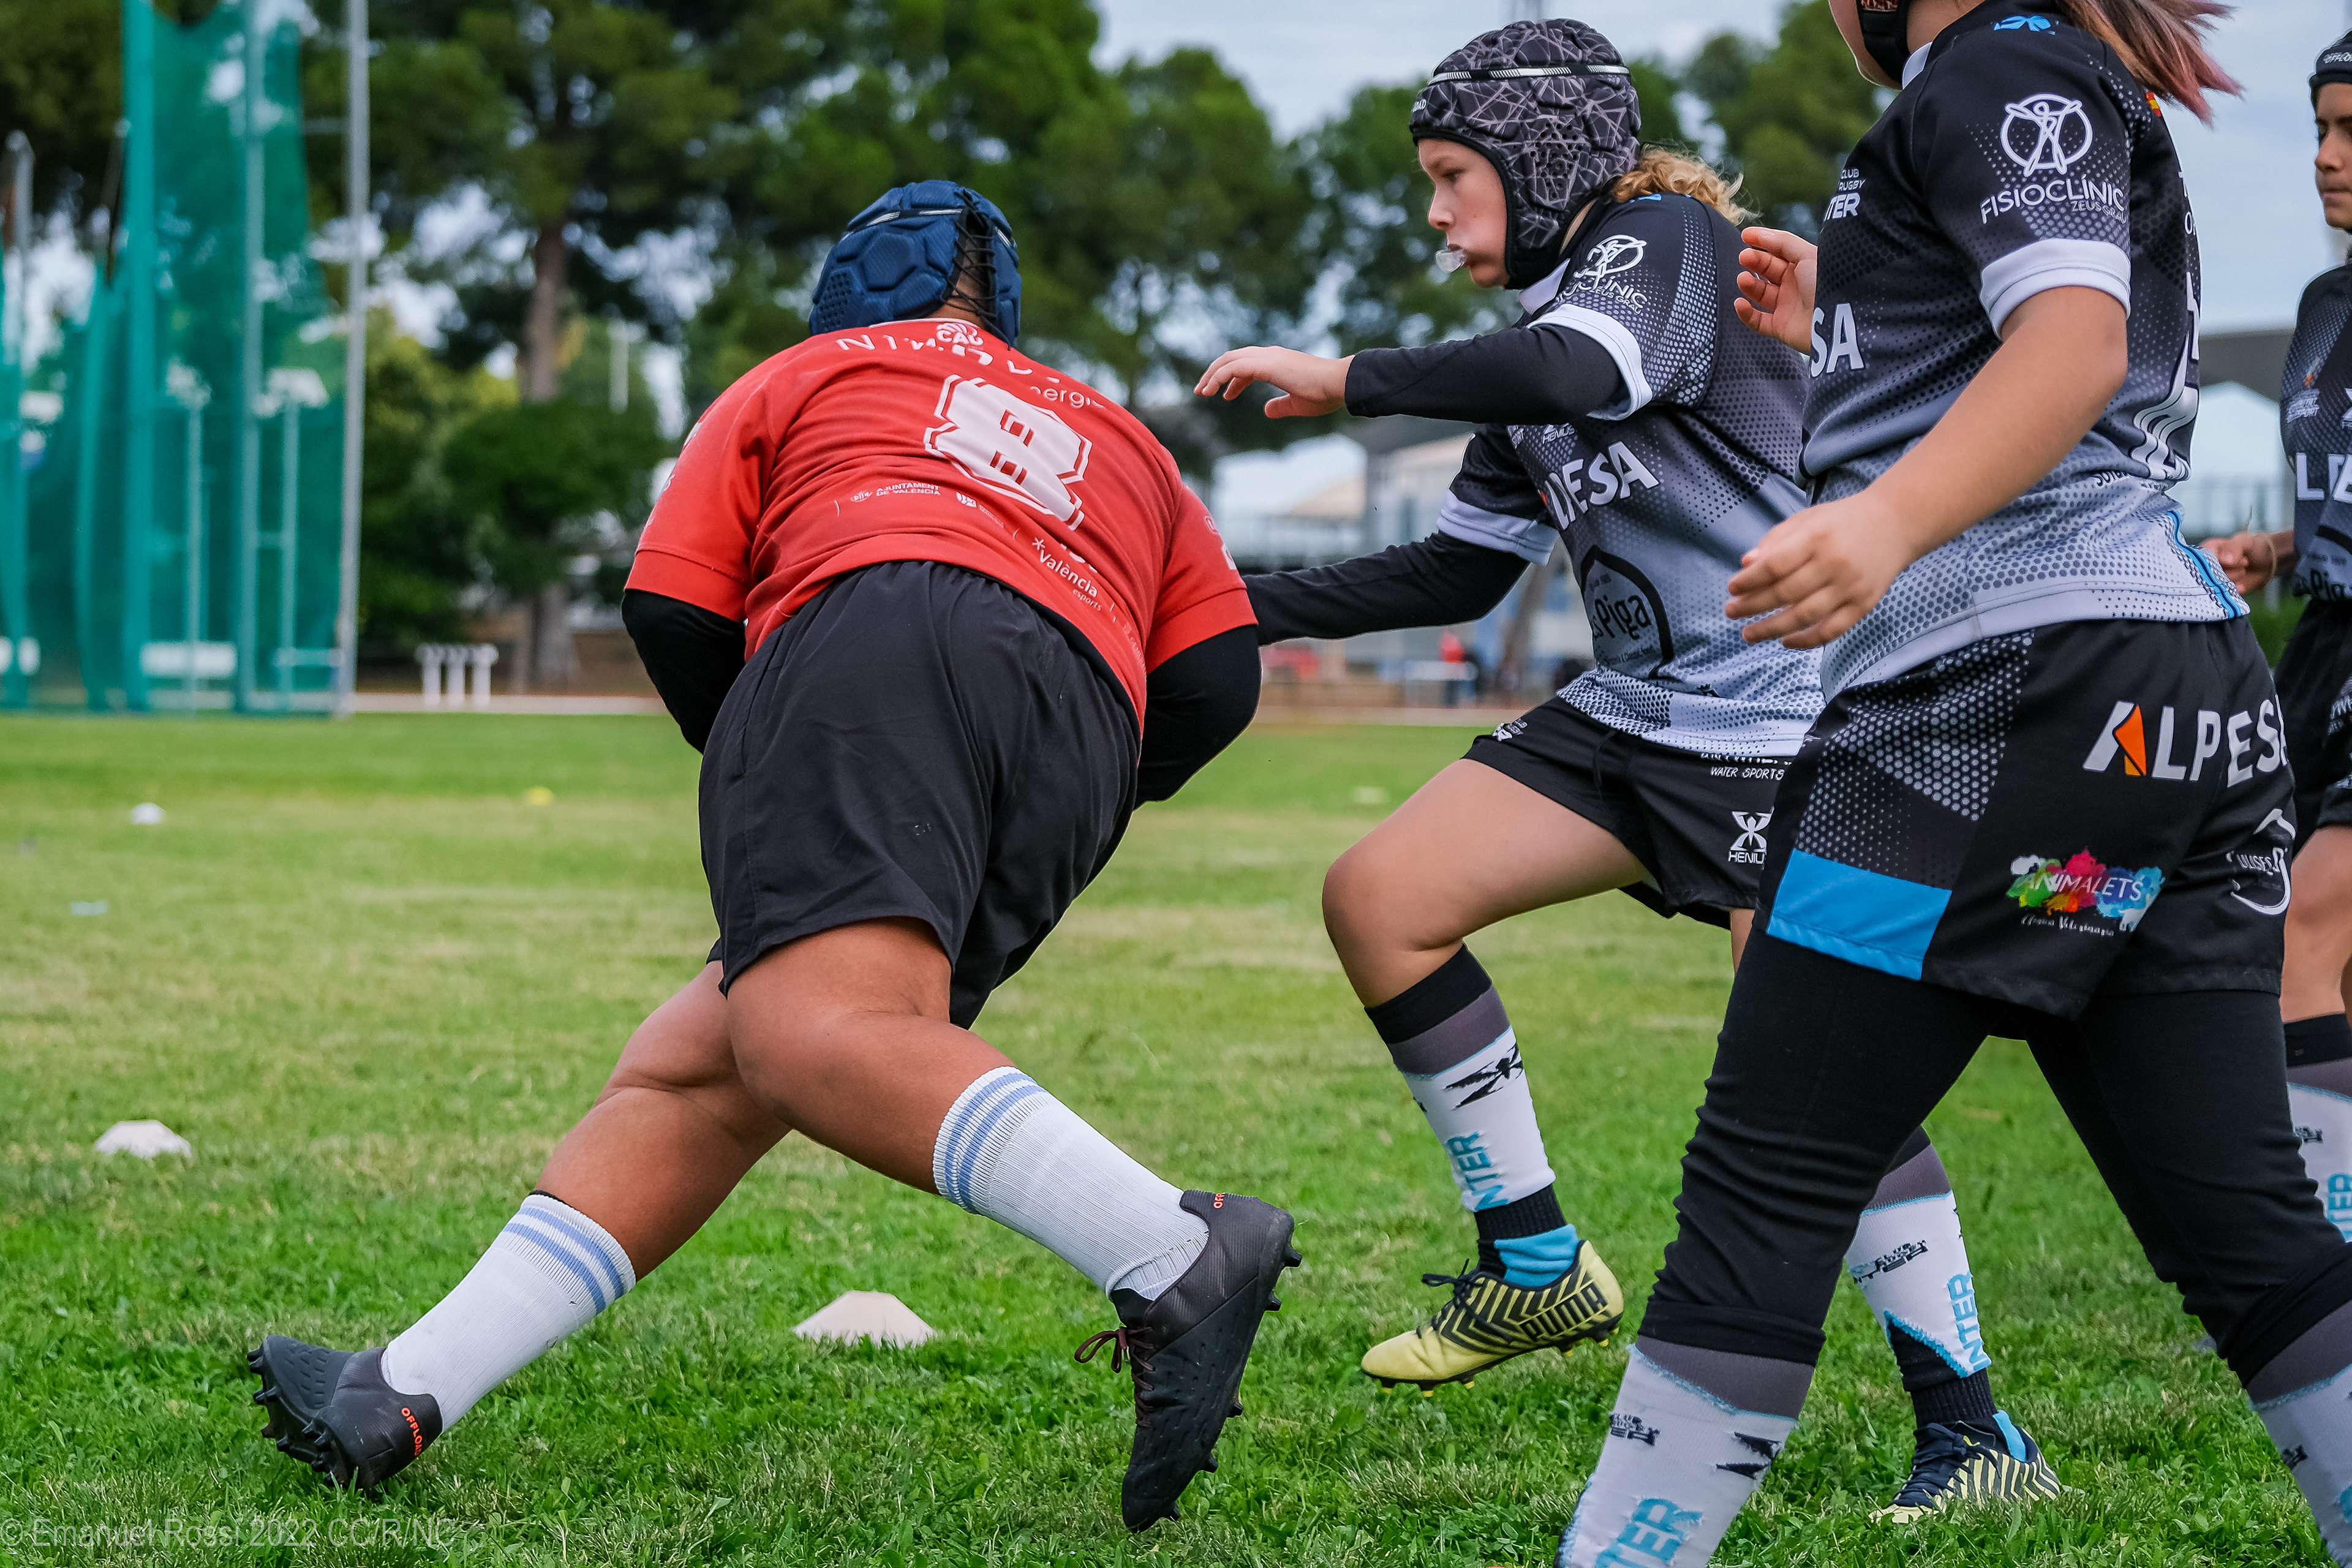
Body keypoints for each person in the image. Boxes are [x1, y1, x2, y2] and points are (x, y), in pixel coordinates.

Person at [249, 182, 1292, 1533]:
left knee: (810, 1034)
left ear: (847, 291)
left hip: (878, 629)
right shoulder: (1124, 436)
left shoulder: (811, 372)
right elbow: (1215, 680)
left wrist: (778, 767)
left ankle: (1172, 1246)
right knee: (701, 1065)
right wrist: (1060, 776)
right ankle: (401, 1389)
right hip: (1086, 718)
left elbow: (673, 604)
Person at [1195, 17, 2054, 1521]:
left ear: (1541, 163)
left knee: (1821, 1071)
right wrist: (1220, 601)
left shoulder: (1660, 244)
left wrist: (1347, 375)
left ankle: (1977, 1430)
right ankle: (1534, 1263)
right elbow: (1458, 571)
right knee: (1382, 895)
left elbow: (1579, 366)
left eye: (1453, 176)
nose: (1435, 212)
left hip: (1792, 720)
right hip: (1638, 718)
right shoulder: (1535, 336)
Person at [1545, 2, 2352, 1564]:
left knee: (1767, 1189)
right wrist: (1859, 315)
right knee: (2250, 1236)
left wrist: (1882, 521)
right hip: (2171, 707)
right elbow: (2049, 341)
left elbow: (2076, 342)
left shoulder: (2001, 55)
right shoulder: (2052, 65)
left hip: (1995, 702)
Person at [2202, 30, 2352, 1245]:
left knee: (2306, 924)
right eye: (2321, 129)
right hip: (2323, 648)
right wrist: (2278, 549)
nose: (2326, 158)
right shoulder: (2321, 309)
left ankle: (2314, 1271)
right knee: (2297, 940)